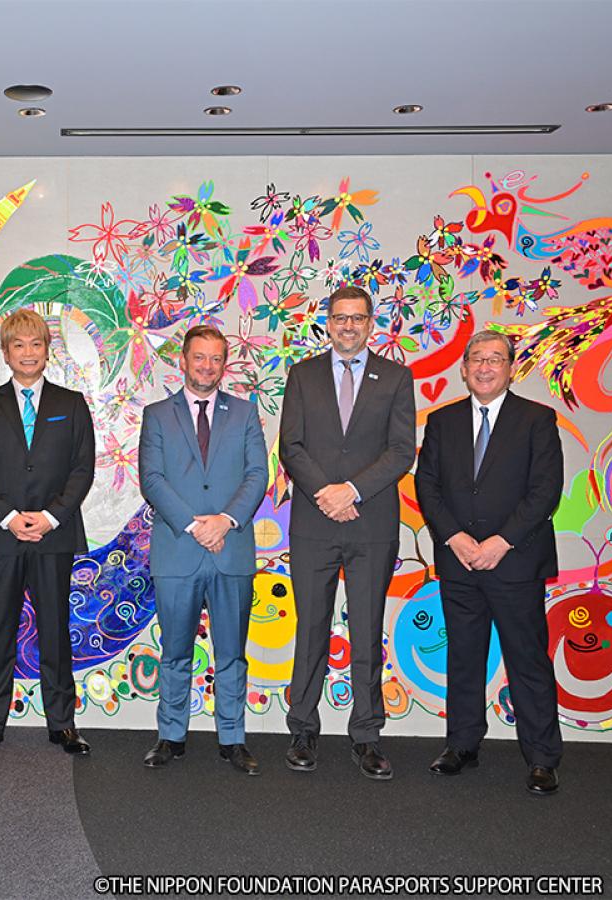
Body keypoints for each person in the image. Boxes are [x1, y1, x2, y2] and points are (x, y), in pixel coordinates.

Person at [413, 330, 564, 795]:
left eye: (495, 359)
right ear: (463, 367)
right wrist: (456, 538)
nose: (484, 367)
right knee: (463, 656)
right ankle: (462, 745)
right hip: (459, 563)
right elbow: (428, 487)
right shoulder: (442, 421)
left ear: (510, 368)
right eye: (476, 358)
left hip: (515, 563)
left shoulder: (537, 419)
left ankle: (541, 757)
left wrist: (501, 542)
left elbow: (545, 491)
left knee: (527, 660)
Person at [278, 285, 415, 779]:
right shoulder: (303, 374)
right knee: (311, 627)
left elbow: (402, 451)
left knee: (366, 630)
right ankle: (303, 729)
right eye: (340, 318)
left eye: (357, 318)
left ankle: (367, 735)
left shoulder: (396, 378)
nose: (348, 326)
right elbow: (290, 446)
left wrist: (352, 491)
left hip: (371, 522)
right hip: (315, 522)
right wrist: (327, 493)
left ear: (370, 322)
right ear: (328, 323)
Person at [0, 308, 96, 757]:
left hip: (54, 535)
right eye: (18, 345)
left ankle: (62, 723)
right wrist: (8, 516)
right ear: (5, 352)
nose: (27, 353)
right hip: (2, 535)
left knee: (55, 630)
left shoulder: (71, 404)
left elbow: (82, 470)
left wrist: (50, 517)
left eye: (35, 344)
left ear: (47, 350)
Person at [138, 325, 267, 772]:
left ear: (224, 363)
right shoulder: (157, 415)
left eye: (215, 358)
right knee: (175, 651)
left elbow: (257, 474)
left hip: (231, 549)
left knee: (231, 652)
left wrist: (225, 521)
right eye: (199, 357)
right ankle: (171, 736)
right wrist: (195, 524)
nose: (207, 366)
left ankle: (233, 739)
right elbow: (151, 478)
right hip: (177, 550)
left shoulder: (246, 413)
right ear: (184, 361)